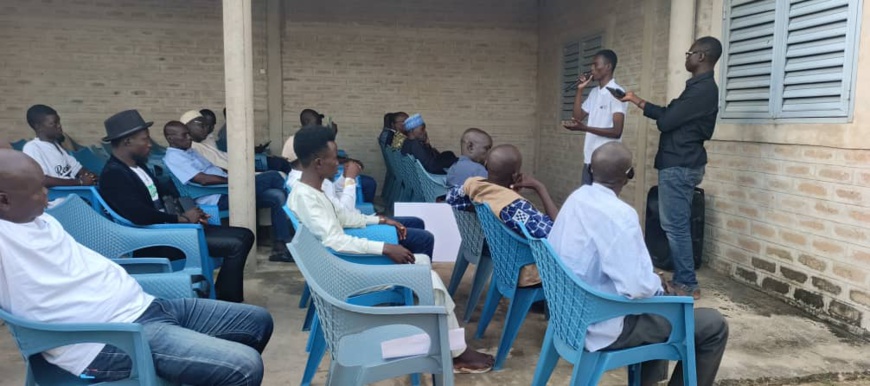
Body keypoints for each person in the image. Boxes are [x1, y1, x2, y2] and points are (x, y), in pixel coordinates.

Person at [0, 149, 274, 385]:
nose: (47, 194)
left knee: (258, 322)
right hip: (107, 340)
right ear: (3, 199)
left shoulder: (40, 219)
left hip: (145, 307)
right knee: (243, 367)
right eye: (38, 190)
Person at [287, 126, 494, 373]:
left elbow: (344, 217)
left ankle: (444, 344)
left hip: (340, 265)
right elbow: (336, 241)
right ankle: (454, 351)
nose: (339, 164)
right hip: (343, 273)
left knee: (424, 270)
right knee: (427, 277)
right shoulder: (306, 197)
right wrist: (384, 248)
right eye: (335, 159)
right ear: (319, 163)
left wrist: (380, 220)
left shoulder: (313, 190)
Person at [547, 141, 728, 386]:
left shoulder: (576, 199)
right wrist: (659, 285)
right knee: (712, 324)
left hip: (566, 316)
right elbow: (637, 288)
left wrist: (654, 284)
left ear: (590, 170)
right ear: (629, 175)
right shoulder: (621, 215)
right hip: (600, 326)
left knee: (659, 307)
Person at [98, 110, 257, 302]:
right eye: (145, 140)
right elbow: (139, 215)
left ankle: (223, 295)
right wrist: (180, 219)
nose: (150, 145)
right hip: (157, 240)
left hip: (171, 228)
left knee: (245, 235)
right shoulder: (114, 174)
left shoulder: (138, 167)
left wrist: (191, 212)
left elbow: (164, 197)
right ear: (127, 142)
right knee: (237, 243)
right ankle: (228, 301)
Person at [619, 36, 723, 299]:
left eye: (690, 52)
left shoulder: (703, 90)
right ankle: (684, 279)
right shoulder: (697, 88)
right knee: (675, 225)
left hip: (681, 164)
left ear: (701, 56)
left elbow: (667, 121)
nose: (686, 57)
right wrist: (638, 101)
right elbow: (669, 114)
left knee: (675, 226)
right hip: (681, 162)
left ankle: (687, 283)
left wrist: (660, 112)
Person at [161, 121, 293, 262]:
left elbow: (216, 168)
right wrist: (234, 181)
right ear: (171, 138)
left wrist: (237, 175)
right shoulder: (174, 157)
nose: (189, 137)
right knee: (274, 176)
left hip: (228, 189)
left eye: (188, 133)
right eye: (184, 135)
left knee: (277, 196)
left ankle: (281, 246)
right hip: (217, 196)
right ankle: (300, 224)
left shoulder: (190, 151)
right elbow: (202, 179)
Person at [446, 144, 558, 286]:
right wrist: (539, 187)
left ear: (486, 165)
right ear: (515, 175)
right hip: (525, 270)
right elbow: (556, 234)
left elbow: (451, 196)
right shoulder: (516, 207)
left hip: (500, 260)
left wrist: (510, 194)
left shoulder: (475, 187)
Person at [562, 49, 628, 186]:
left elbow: (617, 132)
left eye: (595, 64)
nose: (592, 68)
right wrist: (579, 90)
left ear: (608, 67)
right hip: (589, 159)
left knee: (602, 204)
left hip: (607, 161)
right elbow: (577, 116)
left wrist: (585, 128)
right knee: (588, 203)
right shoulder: (594, 93)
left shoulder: (616, 93)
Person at [299, 108, 378, 202]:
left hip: (329, 183)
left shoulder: (324, 185)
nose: (321, 127)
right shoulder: (302, 142)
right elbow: (343, 212)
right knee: (369, 183)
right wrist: (350, 179)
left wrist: (345, 175)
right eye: (318, 123)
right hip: (339, 204)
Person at [183, 110, 291, 173]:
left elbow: (225, 155)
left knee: (279, 166)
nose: (208, 128)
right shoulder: (193, 148)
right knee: (277, 171)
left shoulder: (207, 139)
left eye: (209, 125)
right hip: (234, 174)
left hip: (240, 165)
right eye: (202, 126)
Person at [21, 104, 98, 187]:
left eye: (59, 122)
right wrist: (80, 182)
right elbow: (42, 180)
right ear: (38, 127)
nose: (59, 126)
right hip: (57, 198)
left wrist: (91, 176)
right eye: (53, 123)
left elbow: (79, 169)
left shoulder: (56, 145)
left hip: (73, 194)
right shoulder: (32, 147)